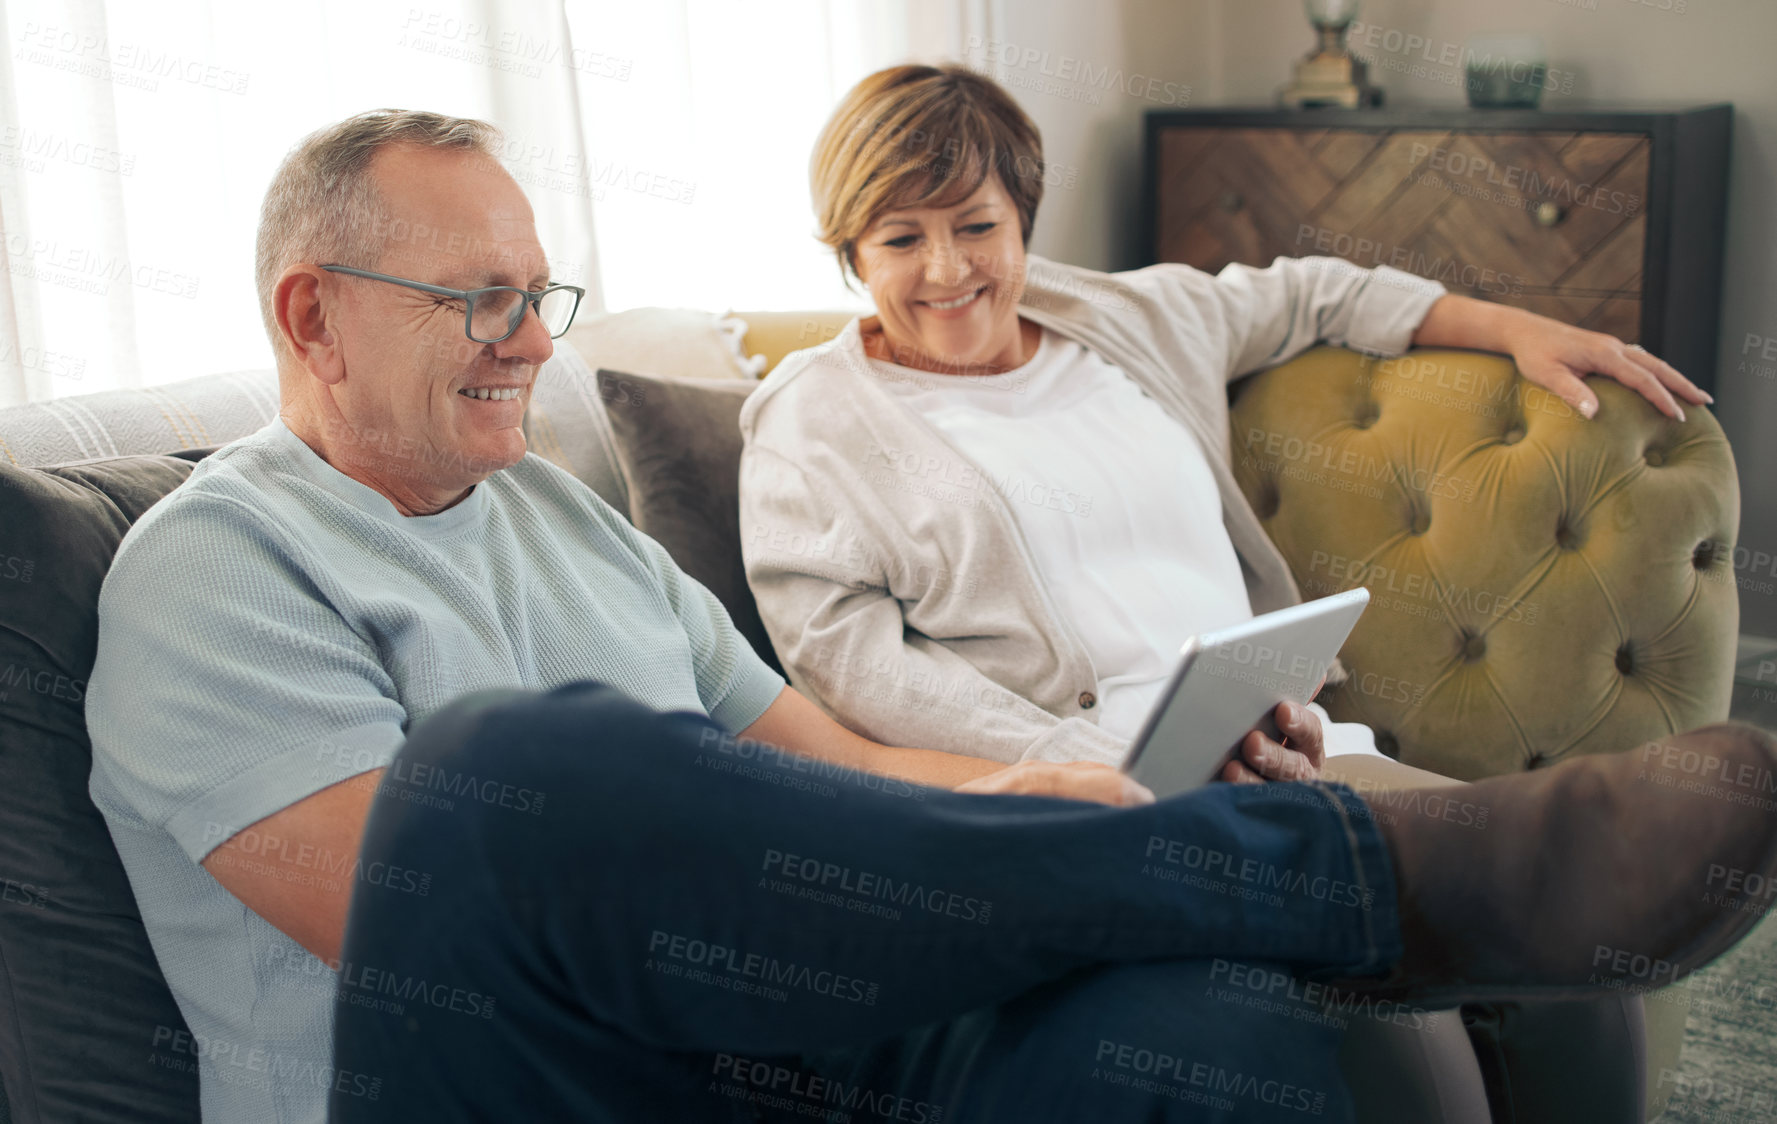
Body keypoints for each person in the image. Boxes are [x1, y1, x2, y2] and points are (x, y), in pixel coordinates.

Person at [83, 109, 1157, 1124]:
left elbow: (842, 769)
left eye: (538, 298)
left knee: (1173, 1012)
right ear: (315, 317)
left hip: (747, 1057)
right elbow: (454, 938)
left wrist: (1103, 789)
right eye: (479, 299)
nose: (535, 346)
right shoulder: (213, 571)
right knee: (528, 755)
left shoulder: (556, 509)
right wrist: (1009, 881)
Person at [735, 65, 1716, 1121]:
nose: (945, 268)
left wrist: (1514, 326)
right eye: (898, 238)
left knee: (1571, 963)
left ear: (1023, 218)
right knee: (1404, 1047)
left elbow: (1309, 292)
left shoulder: (1127, 319)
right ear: (847, 251)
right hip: (1100, 800)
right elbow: (846, 664)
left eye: (976, 224)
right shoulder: (810, 423)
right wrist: (1099, 769)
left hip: (1291, 744)